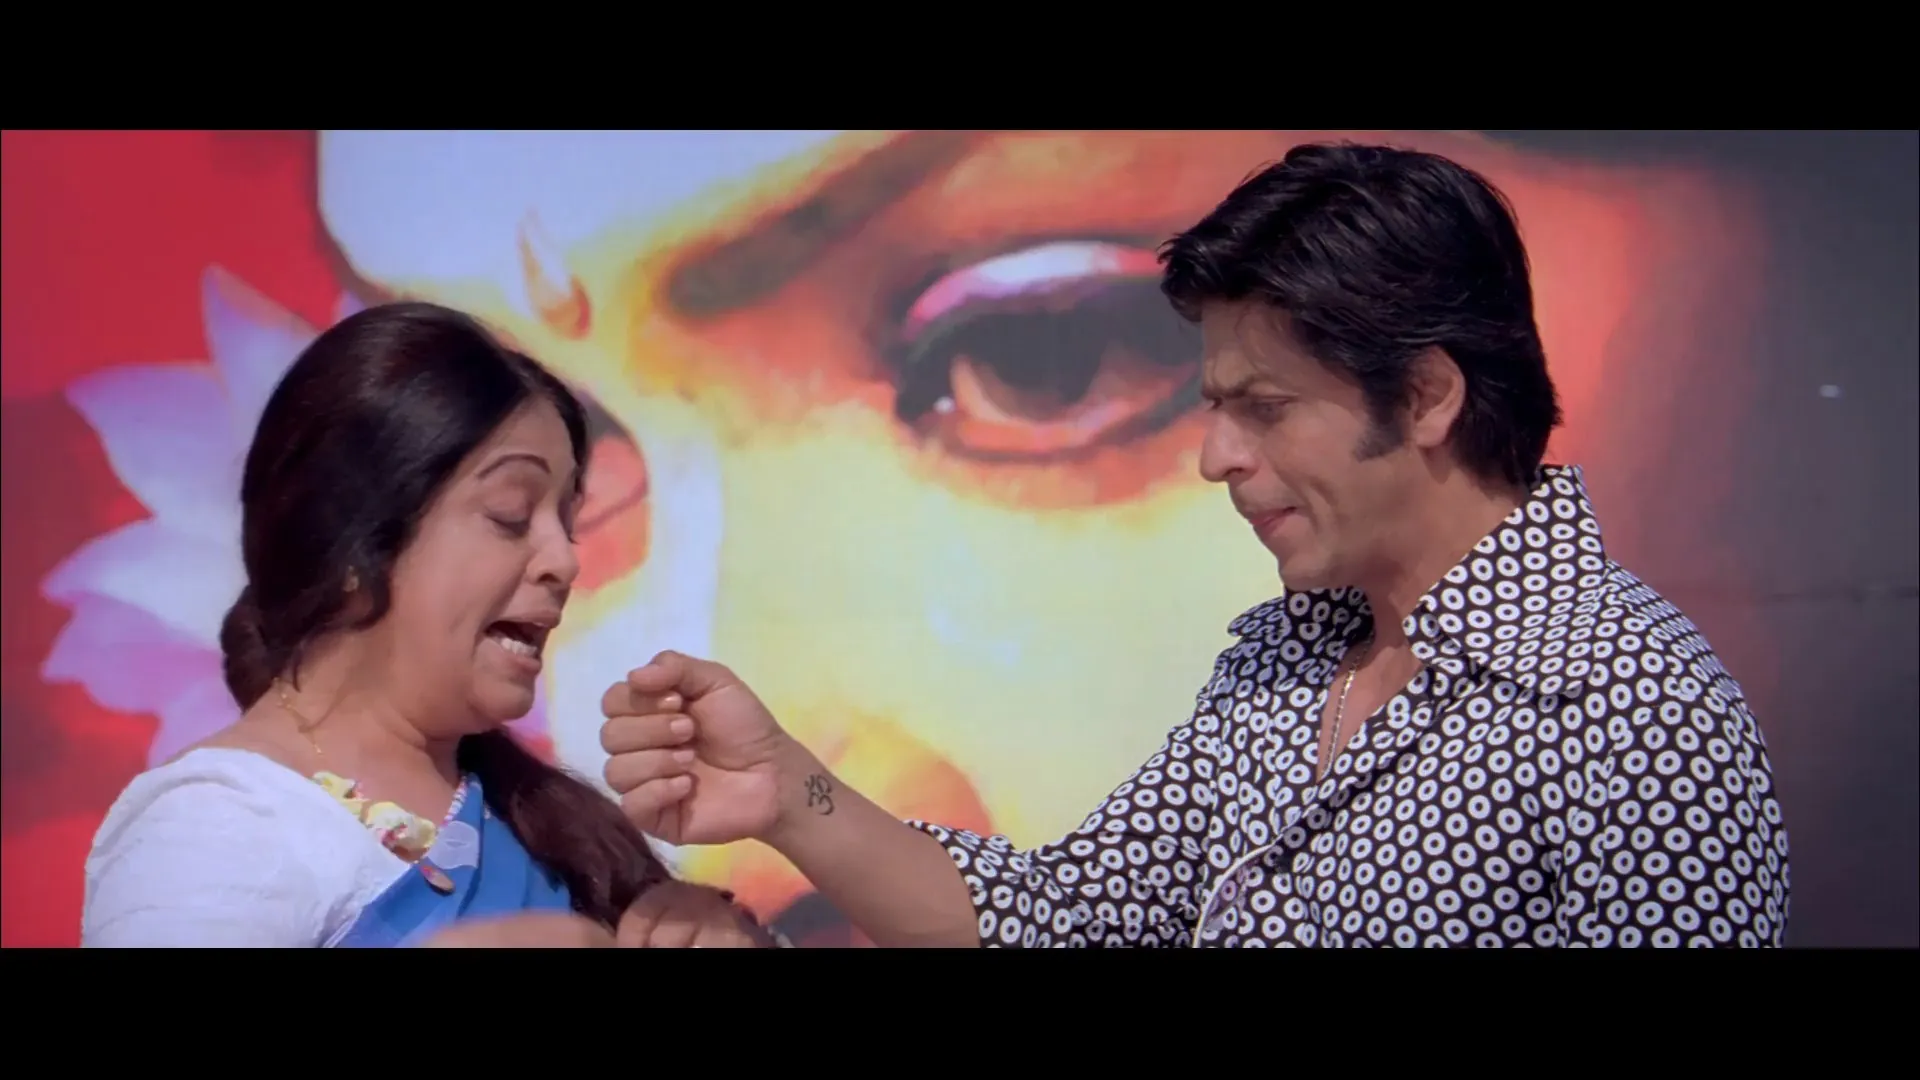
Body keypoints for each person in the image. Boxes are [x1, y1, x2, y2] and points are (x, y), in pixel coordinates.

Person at [597, 142, 1792, 948]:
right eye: (1214, 406)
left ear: (1428, 396)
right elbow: (1057, 918)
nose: (1218, 456)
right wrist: (788, 793)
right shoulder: (1282, 664)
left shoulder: (1635, 710)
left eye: (1265, 409)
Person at [82, 301, 781, 948]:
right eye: (511, 514)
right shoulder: (217, 824)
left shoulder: (550, 824)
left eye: (567, 520)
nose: (566, 561)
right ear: (353, 541)